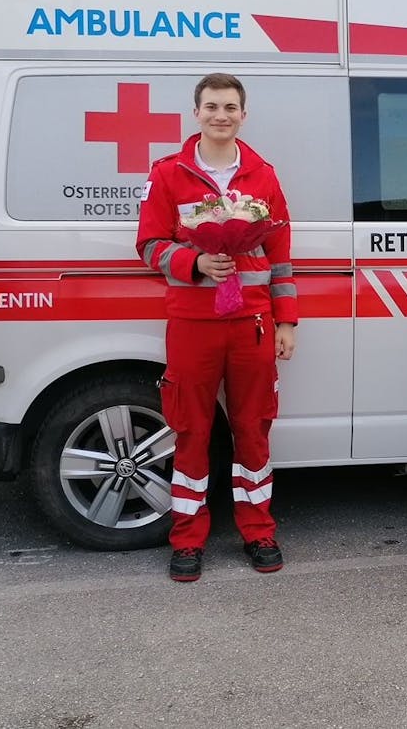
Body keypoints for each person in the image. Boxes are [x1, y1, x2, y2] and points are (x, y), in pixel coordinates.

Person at [136, 72, 299, 582]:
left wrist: (286, 320)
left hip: (251, 321)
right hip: (193, 323)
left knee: (254, 429)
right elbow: (147, 245)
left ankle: (258, 530)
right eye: (211, 107)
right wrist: (194, 263)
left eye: (230, 107)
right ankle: (187, 539)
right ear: (197, 112)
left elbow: (281, 257)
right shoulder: (168, 173)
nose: (221, 115)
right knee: (191, 430)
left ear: (243, 114)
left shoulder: (263, 175)